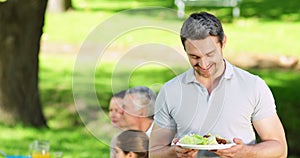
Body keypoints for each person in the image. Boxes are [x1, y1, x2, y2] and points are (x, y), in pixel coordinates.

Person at [149, 12, 287, 158]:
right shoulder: (171, 91)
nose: (203, 64)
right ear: (185, 50)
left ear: (223, 42)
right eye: (194, 57)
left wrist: (246, 152)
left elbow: (279, 148)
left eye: (209, 54)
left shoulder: (252, 86)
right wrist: (174, 152)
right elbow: (154, 152)